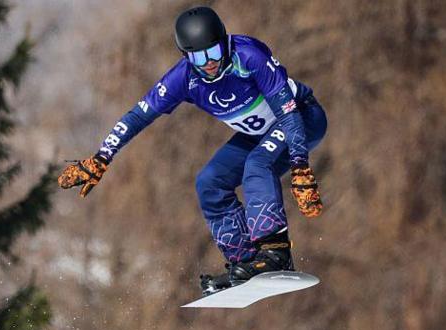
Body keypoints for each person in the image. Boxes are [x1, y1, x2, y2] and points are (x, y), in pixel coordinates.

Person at [57, 6, 327, 295]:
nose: (209, 63)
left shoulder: (249, 56)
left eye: (213, 52)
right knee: (209, 181)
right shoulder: (183, 78)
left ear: (224, 42)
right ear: (186, 56)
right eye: (198, 57)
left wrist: (299, 165)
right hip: (258, 132)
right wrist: (102, 156)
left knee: (257, 165)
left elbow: (288, 114)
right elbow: (138, 115)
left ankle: (275, 254)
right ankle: (246, 261)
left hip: (301, 118)